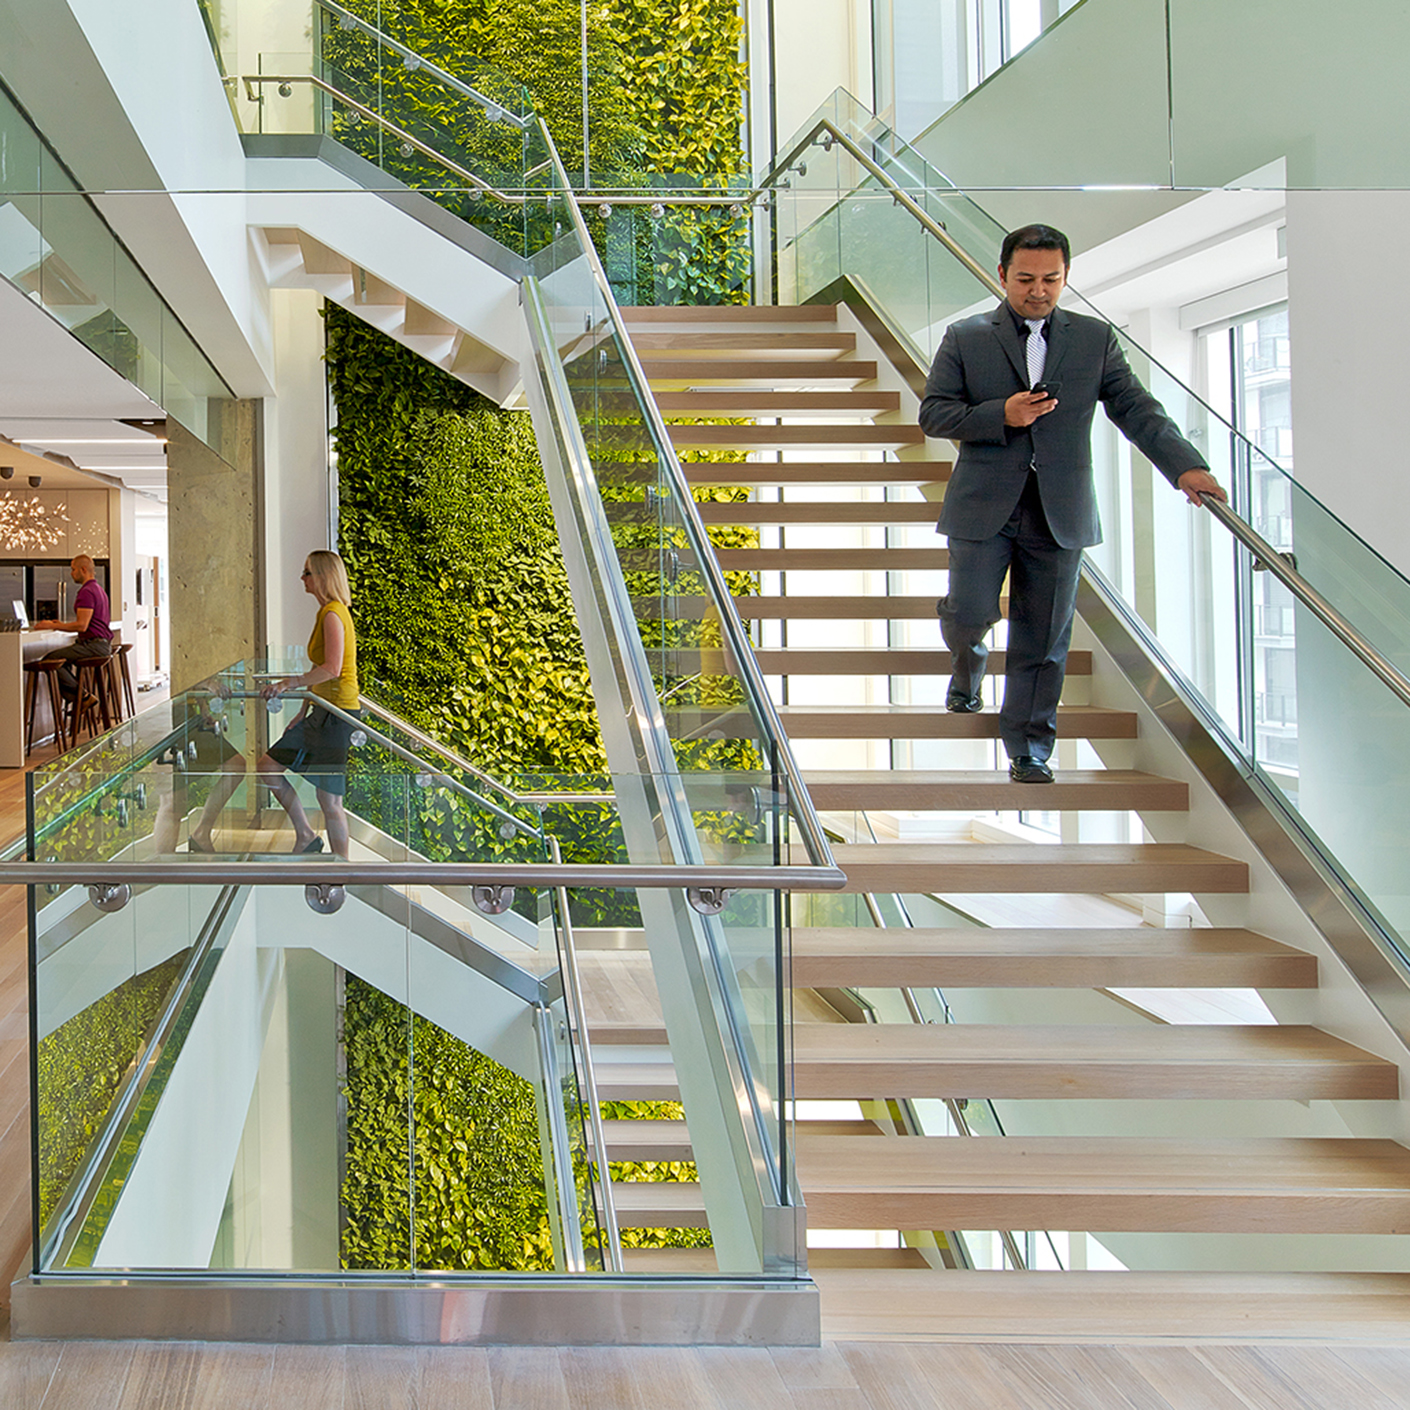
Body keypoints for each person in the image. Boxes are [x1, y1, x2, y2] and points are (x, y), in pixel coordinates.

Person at [919, 223, 1227, 782]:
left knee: (1045, 634)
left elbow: (1136, 408)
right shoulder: (965, 337)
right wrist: (1000, 415)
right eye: (1026, 279)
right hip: (983, 505)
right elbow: (935, 413)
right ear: (1002, 276)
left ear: (1065, 277)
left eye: (1051, 279)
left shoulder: (1094, 339)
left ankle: (1030, 747)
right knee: (967, 613)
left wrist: (1185, 466)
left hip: (1060, 509)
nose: (1038, 290)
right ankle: (968, 666)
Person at [258, 550, 361, 857]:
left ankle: (342, 868)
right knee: (268, 767)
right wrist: (303, 710)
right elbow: (323, 673)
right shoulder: (327, 612)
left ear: (322, 577)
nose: (302, 578)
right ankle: (305, 835)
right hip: (322, 712)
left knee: (330, 801)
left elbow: (332, 668)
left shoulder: (333, 613)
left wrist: (288, 683)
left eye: (307, 572)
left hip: (337, 715)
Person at [34, 554, 113, 694]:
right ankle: (80, 702)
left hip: (93, 645)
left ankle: (82, 698)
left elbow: (82, 625)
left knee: (51, 659)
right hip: (102, 644)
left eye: (73, 569)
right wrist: (61, 624)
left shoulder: (86, 592)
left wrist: (54, 625)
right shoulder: (99, 590)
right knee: (63, 661)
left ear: (83, 569)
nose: (71, 574)